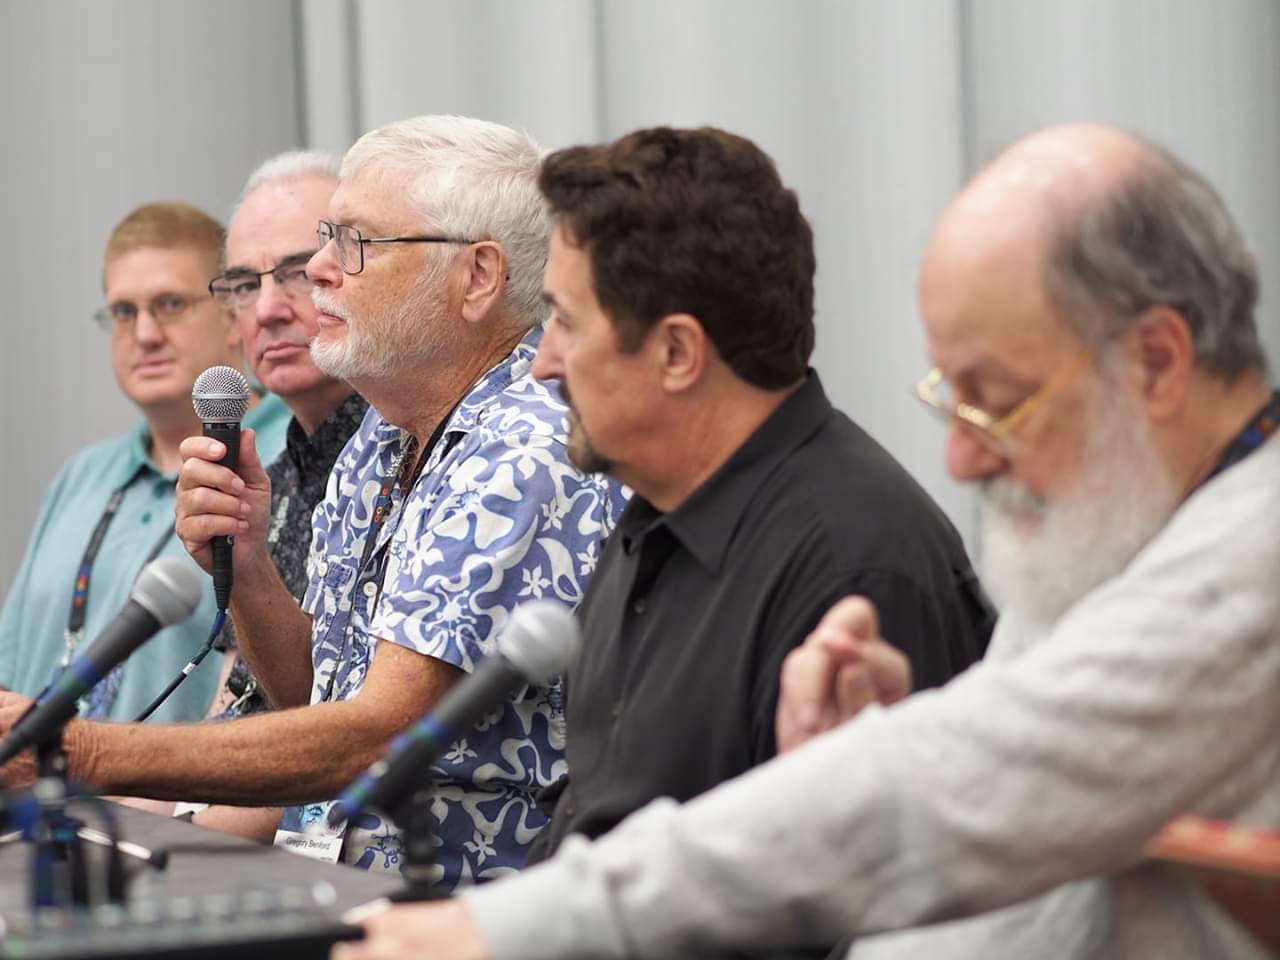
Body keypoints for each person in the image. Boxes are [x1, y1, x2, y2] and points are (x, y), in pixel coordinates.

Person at [341, 124, 1280, 959]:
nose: (959, 458)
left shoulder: (1253, 566)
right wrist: (857, 751)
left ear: (1155, 360)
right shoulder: (1116, 537)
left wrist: (504, 930)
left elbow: (951, 791)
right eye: (949, 398)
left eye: (995, 400)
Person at [0, 116, 627, 891]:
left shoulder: (525, 447)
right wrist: (254, 565)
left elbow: (376, 738)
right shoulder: (381, 435)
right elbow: (314, 696)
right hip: (342, 894)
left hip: (466, 916)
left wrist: (71, 752)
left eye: (355, 244)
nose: (322, 270)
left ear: (477, 276)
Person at [522, 125, 991, 865]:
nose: (542, 364)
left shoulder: (858, 571)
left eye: (565, 323)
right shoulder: (655, 514)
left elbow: (869, 909)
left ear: (677, 353)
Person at [130, 150, 370, 842]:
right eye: (242, 283)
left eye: (297, 272)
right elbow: (238, 706)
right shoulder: (278, 470)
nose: (267, 309)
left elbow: (347, 741)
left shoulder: (411, 454)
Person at [0, 203, 289, 725]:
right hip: (35, 797)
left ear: (232, 317)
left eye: (170, 304)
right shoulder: (82, 475)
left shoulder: (288, 454)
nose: (146, 334)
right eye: (125, 312)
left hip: (184, 802)